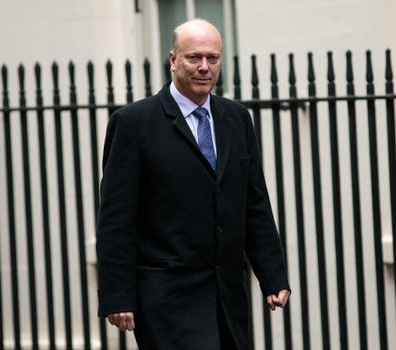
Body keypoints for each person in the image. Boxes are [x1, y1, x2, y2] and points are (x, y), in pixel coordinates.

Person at [96, 18, 290, 349]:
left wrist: (272, 274)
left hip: (227, 294)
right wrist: (118, 295)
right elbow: (116, 218)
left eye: (212, 58)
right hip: (166, 299)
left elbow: (254, 201)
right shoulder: (132, 123)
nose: (204, 67)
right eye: (193, 57)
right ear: (173, 60)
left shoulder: (237, 118)